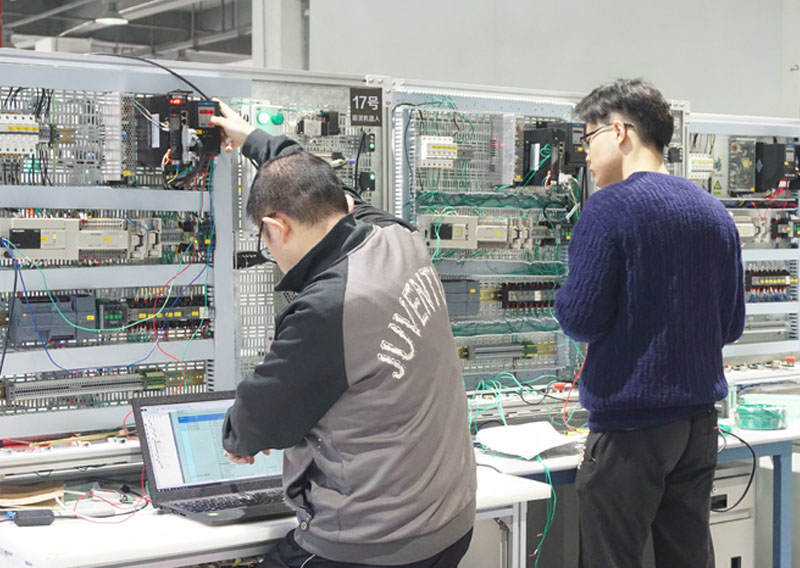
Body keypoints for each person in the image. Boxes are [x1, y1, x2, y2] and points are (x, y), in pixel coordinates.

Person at [210, 102, 476, 568]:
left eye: (265, 242)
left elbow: (252, 424)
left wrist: (240, 437)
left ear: (276, 227)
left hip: (373, 545)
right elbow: (317, 180)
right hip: (450, 524)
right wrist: (252, 138)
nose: (271, 254)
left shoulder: (329, 307)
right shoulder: (397, 236)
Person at [553, 79, 745, 568]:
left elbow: (580, 318)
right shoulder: (714, 213)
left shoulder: (608, 209)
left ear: (619, 132)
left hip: (630, 430)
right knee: (687, 555)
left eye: (589, 138)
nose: (586, 155)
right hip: (698, 428)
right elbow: (730, 326)